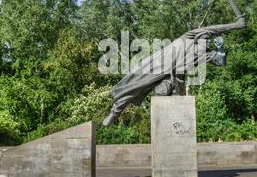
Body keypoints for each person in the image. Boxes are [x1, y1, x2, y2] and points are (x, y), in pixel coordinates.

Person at [101, 17, 246, 127]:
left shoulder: (204, 55)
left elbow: (221, 61)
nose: (207, 43)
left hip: (174, 81)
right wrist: (235, 26)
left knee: (165, 92)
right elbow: (214, 29)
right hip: (159, 63)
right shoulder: (188, 37)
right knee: (133, 83)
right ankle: (115, 113)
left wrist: (221, 49)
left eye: (208, 43)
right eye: (205, 40)